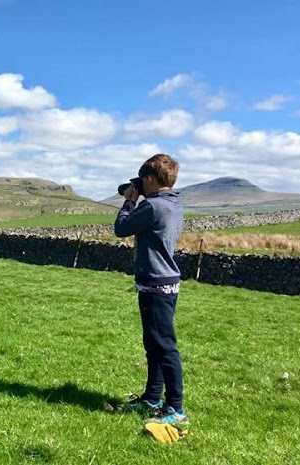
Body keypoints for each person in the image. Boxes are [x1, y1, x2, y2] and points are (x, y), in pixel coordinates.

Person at [113, 153, 187, 426]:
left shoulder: (152, 207)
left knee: (164, 347)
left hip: (155, 284)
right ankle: (152, 398)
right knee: (155, 345)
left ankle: (176, 409)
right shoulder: (173, 203)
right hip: (165, 283)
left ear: (149, 179)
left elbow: (121, 228)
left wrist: (129, 201)